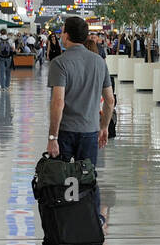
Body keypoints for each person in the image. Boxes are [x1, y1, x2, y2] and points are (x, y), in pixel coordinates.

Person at [47, 16, 114, 188]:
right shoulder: (99, 62)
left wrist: (52, 137)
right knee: (87, 180)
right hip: (90, 131)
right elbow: (109, 100)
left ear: (67, 35)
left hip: (65, 132)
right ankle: (89, 213)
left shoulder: (59, 63)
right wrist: (104, 126)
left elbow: (58, 102)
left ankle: (66, 212)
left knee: (62, 181)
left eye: (62, 32)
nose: (61, 36)